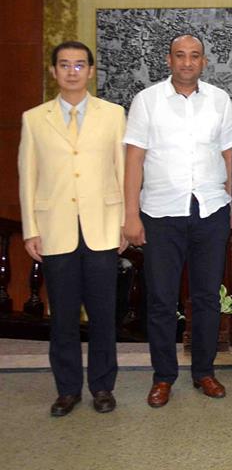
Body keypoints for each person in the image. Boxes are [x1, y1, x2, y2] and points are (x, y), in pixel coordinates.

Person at [123, 34, 232, 408]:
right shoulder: (147, 101)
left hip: (210, 211)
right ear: (169, 60)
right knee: (160, 299)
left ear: (204, 62)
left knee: (206, 298)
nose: (187, 62)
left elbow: (229, 157)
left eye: (194, 56)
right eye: (180, 55)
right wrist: (130, 215)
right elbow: (134, 160)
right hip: (160, 214)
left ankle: (204, 371)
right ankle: (163, 377)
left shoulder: (219, 100)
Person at [18, 41, 126, 417]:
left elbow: (122, 170)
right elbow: (27, 176)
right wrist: (31, 228)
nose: (72, 71)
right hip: (55, 229)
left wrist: (124, 222)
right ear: (54, 72)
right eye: (64, 65)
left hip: (102, 227)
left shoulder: (113, 114)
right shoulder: (35, 118)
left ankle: (102, 386)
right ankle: (67, 390)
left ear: (91, 71)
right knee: (62, 316)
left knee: (103, 314)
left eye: (80, 65)